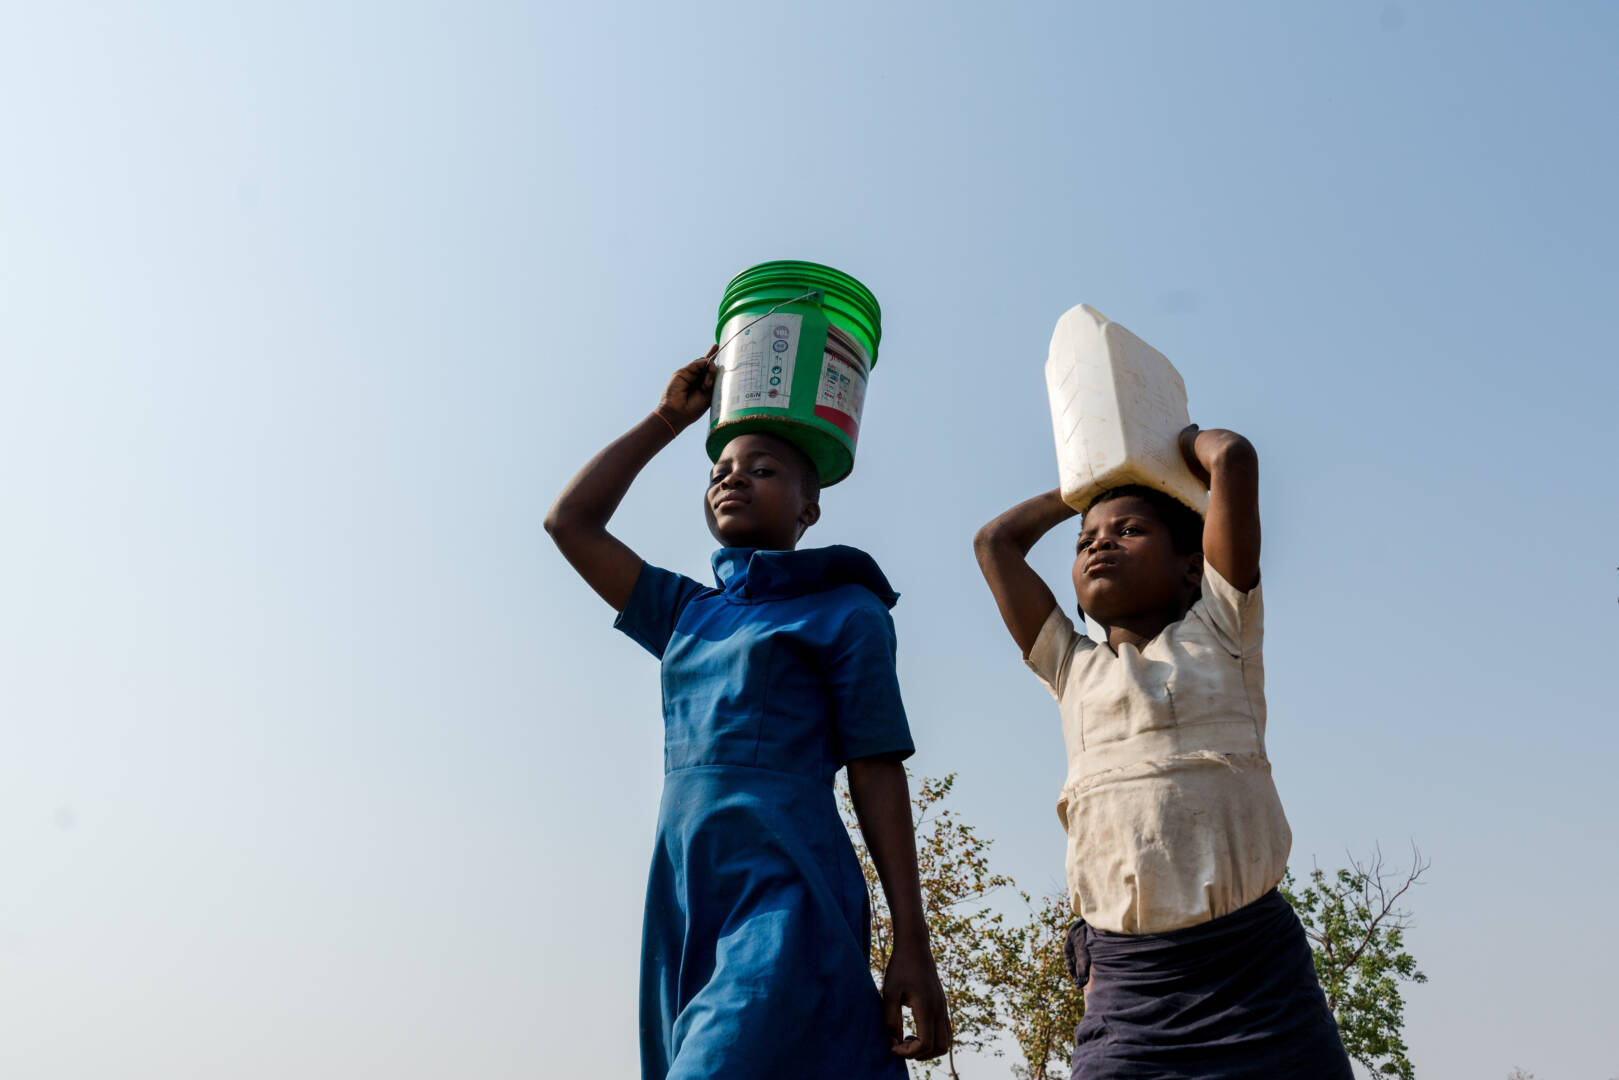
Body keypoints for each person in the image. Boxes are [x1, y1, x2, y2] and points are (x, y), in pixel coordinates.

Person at [545, 347, 950, 1080]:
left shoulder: (846, 610)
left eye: (761, 468)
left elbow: (876, 767)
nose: (732, 476)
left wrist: (910, 942)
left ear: (808, 506)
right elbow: (569, 522)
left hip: (786, 879)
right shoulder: (683, 611)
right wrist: (669, 418)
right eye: (719, 469)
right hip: (685, 888)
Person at [973, 425, 1352, 1079]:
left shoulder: (1221, 632)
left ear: (1190, 565)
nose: (1099, 543)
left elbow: (1231, 459)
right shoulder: (1069, 667)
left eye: (1127, 531)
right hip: (1129, 987)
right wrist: (1085, 486)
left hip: (1252, 976)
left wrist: (1164, 450)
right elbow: (995, 543)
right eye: (1086, 538)